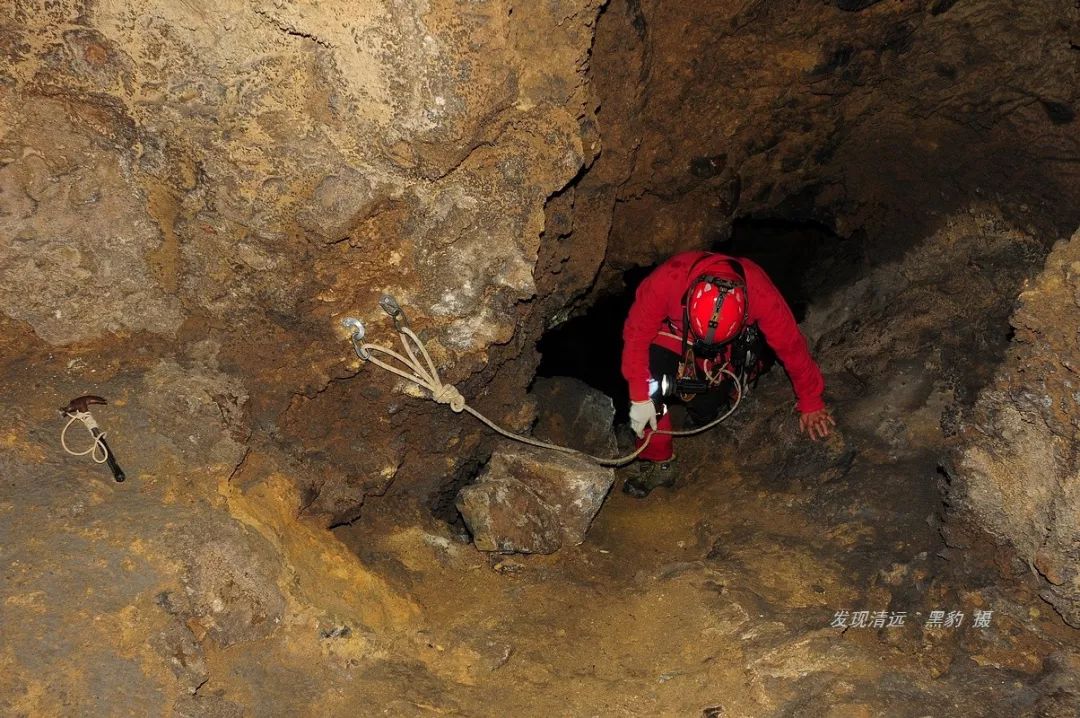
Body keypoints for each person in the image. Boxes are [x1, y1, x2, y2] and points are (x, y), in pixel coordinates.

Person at [621, 250, 834, 497]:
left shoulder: (760, 293)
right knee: (649, 384)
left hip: (726, 349)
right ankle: (660, 461)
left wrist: (810, 400)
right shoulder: (667, 281)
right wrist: (640, 397)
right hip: (674, 335)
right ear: (688, 298)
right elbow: (636, 339)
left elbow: (791, 346)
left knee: (706, 411)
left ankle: (723, 394)